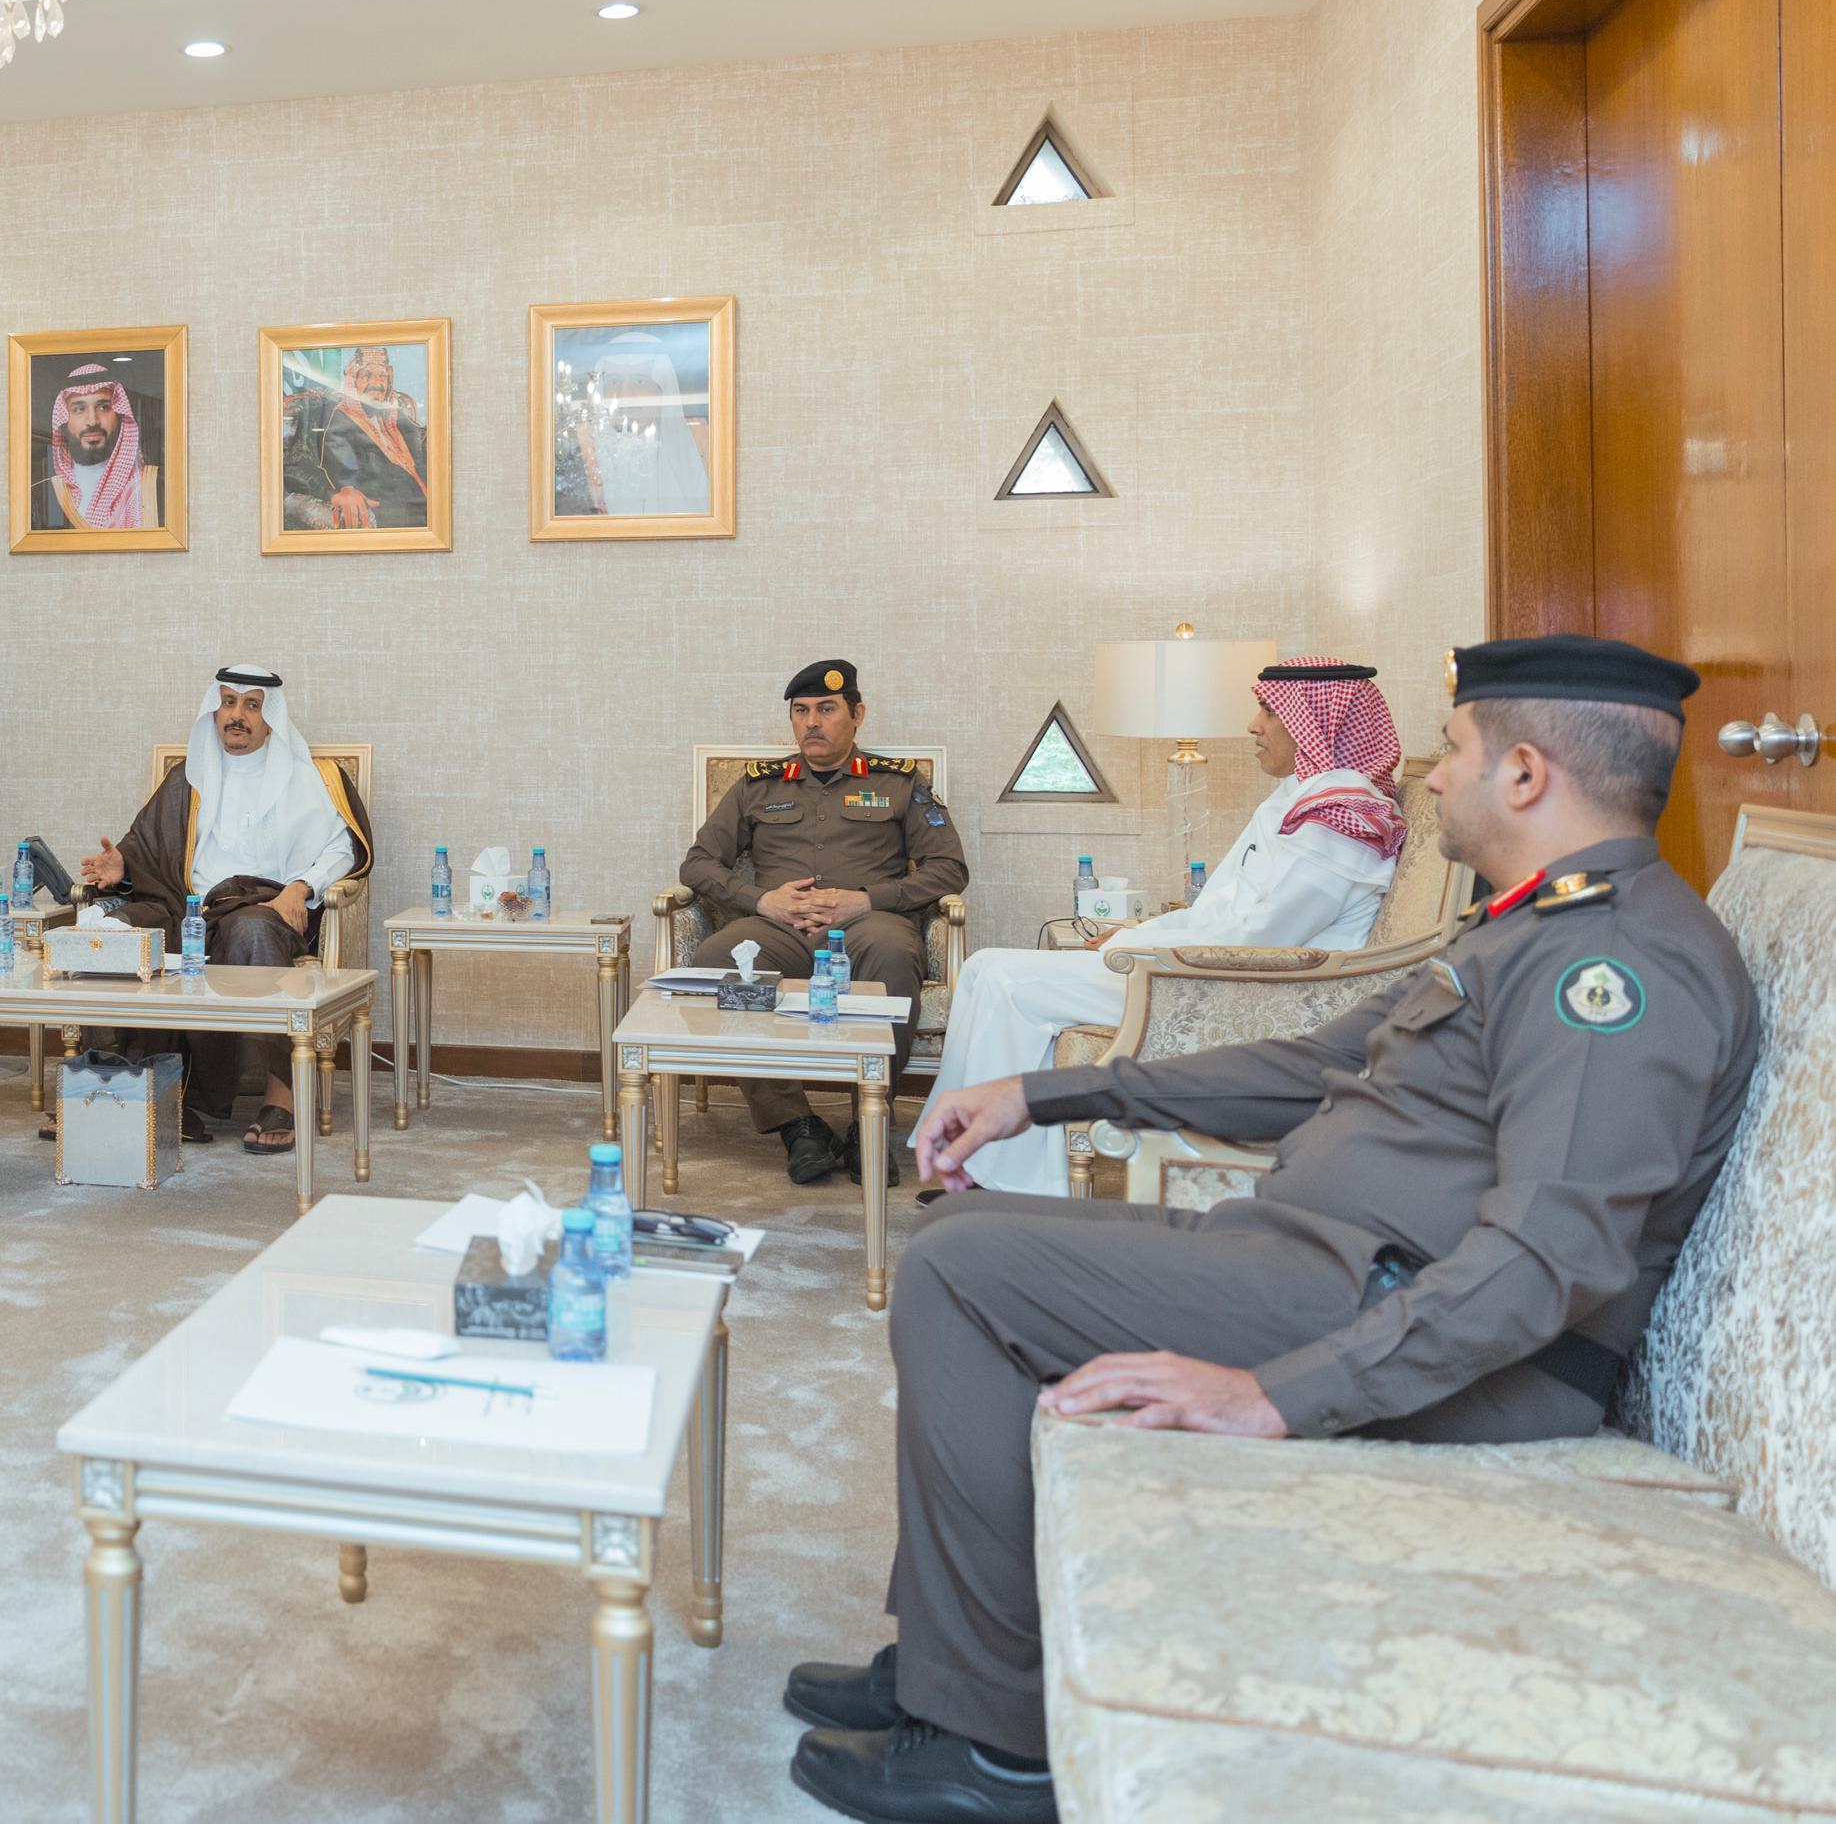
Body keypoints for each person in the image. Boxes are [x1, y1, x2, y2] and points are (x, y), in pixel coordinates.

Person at [777, 635, 1759, 1824]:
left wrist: (1274, 1395)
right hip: (1319, 1263)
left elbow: (1543, 1263)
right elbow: (1305, 1064)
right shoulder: (1520, 927)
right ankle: (951, 1655)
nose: (1430, 778)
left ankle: (991, 1747)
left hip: (1425, 1327)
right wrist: (1046, 1093)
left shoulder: (1610, 963)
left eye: (1451, 750)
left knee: (956, 1266)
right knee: (978, 1233)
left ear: (1523, 774)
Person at [928, 660, 1405, 1195]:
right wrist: (1137, 933)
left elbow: (1257, 941)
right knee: (982, 967)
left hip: (1233, 989)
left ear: (1317, 723)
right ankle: (966, 1157)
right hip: (1204, 968)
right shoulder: (1300, 800)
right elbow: (1216, 913)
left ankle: (987, 1177)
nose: (1253, 725)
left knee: (1004, 980)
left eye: (1270, 711)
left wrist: (1140, 943)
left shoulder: (1339, 823)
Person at [682, 659, 968, 1183]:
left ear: (857, 714)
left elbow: (949, 868)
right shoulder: (759, 785)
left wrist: (868, 900)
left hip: (867, 926)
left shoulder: (899, 782)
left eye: (827, 709)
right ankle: (796, 1124)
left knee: (892, 954)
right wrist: (761, 900)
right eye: (801, 711)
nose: (812, 722)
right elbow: (698, 864)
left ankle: (868, 1122)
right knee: (718, 957)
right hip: (777, 929)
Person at [73, 665, 373, 1149]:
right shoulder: (187, 777)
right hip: (183, 906)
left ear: (271, 716)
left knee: (252, 931)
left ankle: (282, 1096)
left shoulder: (312, 778)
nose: (238, 715)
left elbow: (342, 850)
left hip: (263, 903)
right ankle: (112, 1088)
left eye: (252, 705)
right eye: (228, 702)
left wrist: (301, 887)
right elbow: (149, 848)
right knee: (116, 932)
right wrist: (123, 867)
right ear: (214, 711)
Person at [551, 329, 713, 519]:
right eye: (614, 381)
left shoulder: (696, 445)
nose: (624, 394)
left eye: (640, 380)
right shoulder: (579, 449)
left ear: (661, 389)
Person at [279, 346, 431, 531]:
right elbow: (313, 467)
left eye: (382, 376)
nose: (376, 383)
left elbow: (421, 446)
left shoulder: (396, 418)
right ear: (353, 380)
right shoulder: (336, 419)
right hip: (392, 515)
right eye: (367, 375)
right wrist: (342, 491)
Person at [31, 360, 161, 531]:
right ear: (63, 421)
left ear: (120, 415)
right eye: (79, 409)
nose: (92, 421)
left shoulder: (151, 487)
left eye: (104, 407)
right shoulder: (42, 490)